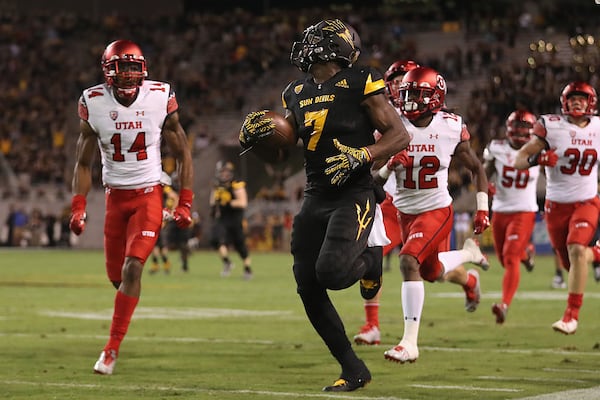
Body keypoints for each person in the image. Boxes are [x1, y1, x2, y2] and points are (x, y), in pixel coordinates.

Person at [240, 19, 410, 392]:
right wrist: (263, 136)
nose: (304, 44)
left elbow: (399, 135)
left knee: (332, 272)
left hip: (353, 193)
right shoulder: (295, 91)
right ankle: (352, 368)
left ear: (330, 46)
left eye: (313, 39)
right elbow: (285, 150)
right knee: (307, 283)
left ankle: (372, 260)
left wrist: (363, 154)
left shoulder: (361, 80)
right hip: (316, 195)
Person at [70, 39, 194, 374]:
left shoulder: (159, 96)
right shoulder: (92, 101)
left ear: (142, 69)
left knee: (133, 269)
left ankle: (110, 350)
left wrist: (185, 202)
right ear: (108, 70)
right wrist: (78, 205)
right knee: (117, 279)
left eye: (132, 66)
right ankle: (122, 318)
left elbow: (182, 152)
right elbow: (83, 162)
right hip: (115, 198)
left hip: (148, 194)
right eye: (120, 67)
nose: (127, 74)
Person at [373, 66, 490, 364]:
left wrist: (483, 208)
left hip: (436, 208)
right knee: (432, 272)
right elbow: (372, 179)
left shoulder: (450, 126)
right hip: (404, 212)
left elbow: (476, 168)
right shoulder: (393, 125)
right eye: (407, 94)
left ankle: (409, 343)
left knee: (408, 260)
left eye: (417, 95)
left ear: (435, 98)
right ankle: (468, 258)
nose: (408, 100)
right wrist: (389, 166)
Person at [514, 81, 600, 335]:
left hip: (587, 201)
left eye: (582, 98)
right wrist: (538, 159)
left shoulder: (598, 127)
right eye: (572, 98)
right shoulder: (551, 126)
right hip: (556, 206)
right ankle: (596, 254)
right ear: (564, 102)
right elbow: (519, 159)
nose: (577, 102)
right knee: (571, 263)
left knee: (575, 248)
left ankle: (571, 315)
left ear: (590, 103)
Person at [353, 59, 420, 346]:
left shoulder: (442, 121)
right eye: (396, 80)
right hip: (392, 201)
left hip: (426, 205)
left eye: (406, 80)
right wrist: (387, 163)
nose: (401, 85)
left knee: (436, 271)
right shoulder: (384, 117)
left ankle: (467, 279)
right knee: (372, 257)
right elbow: (372, 167)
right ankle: (373, 325)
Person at [483, 110, 540, 324]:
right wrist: (485, 186)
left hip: (524, 210)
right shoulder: (496, 147)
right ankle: (526, 254)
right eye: (517, 126)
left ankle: (504, 305)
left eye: (524, 127)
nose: (520, 131)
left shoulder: (537, 148)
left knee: (509, 256)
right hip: (500, 210)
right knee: (505, 259)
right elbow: (484, 171)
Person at [209, 160, 253, 279]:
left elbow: (243, 203)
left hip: (236, 218)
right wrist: (213, 207)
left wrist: (227, 203)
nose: (225, 175)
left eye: (227, 172)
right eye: (222, 172)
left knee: (240, 245)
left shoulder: (236, 184)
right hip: (223, 218)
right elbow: (213, 200)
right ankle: (227, 262)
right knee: (216, 239)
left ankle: (247, 269)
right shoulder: (217, 184)